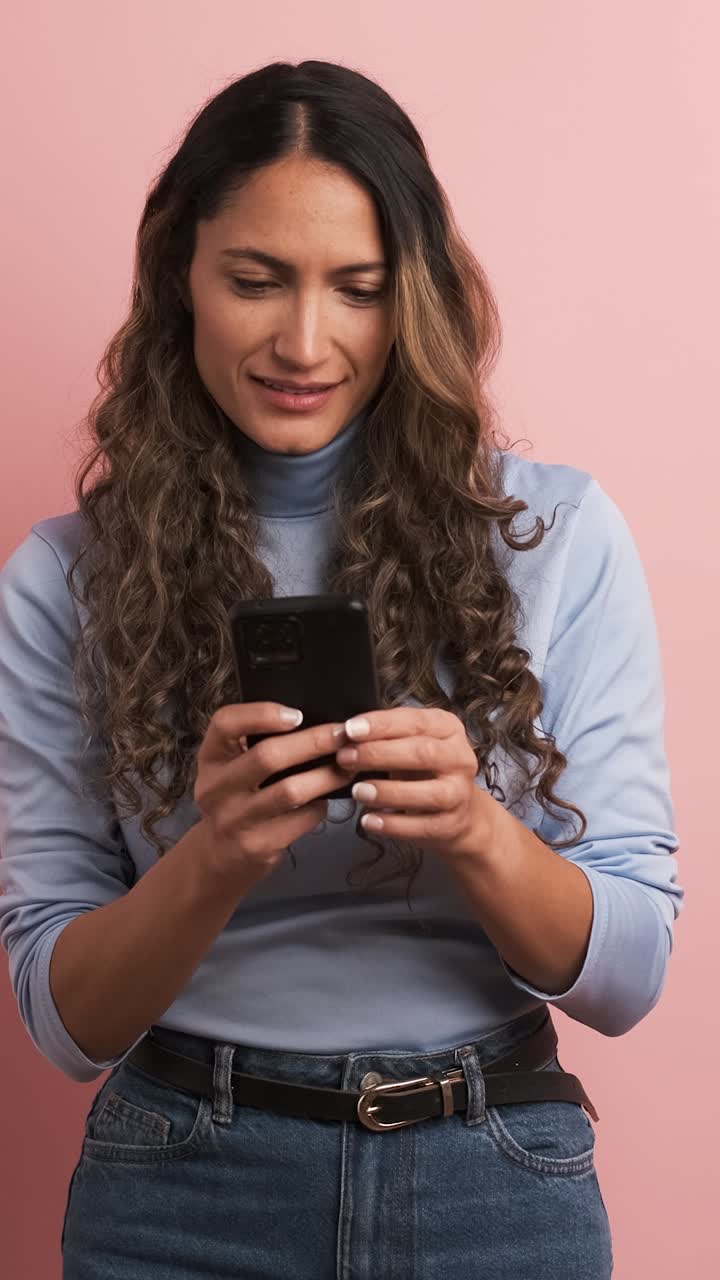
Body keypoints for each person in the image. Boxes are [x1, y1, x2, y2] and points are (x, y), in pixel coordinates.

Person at [0, 60, 682, 1280]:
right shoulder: (62, 579)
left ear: (411, 299)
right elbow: (64, 1019)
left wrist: (474, 827)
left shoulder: (562, 538)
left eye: (356, 290)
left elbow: (628, 974)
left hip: (492, 1176)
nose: (303, 341)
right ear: (181, 280)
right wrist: (217, 852)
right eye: (255, 280)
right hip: (180, 1186)